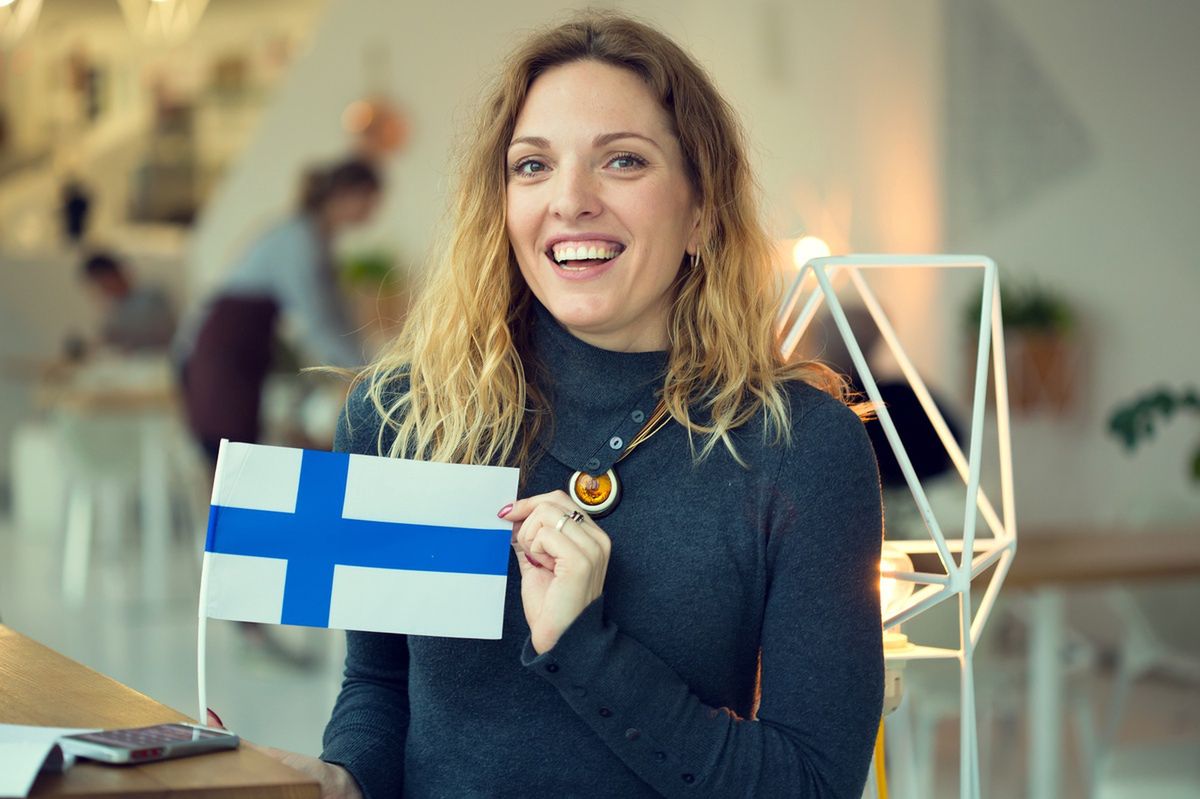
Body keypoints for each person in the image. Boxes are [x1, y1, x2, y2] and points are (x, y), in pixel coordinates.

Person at [241, 13, 883, 798]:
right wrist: (344, 777)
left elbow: (814, 784)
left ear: (703, 209)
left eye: (622, 160)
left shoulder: (800, 446)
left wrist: (587, 647)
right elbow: (381, 685)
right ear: (502, 204)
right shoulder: (403, 414)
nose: (570, 200)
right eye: (533, 166)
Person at [176, 157, 382, 463]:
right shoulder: (298, 239)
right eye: (369, 201)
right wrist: (364, 371)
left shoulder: (314, 238)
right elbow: (318, 321)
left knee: (239, 457)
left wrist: (367, 365)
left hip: (242, 355)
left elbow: (335, 316)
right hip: (221, 356)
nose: (372, 212)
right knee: (229, 463)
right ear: (346, 194)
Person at [80, 251, 177, 353]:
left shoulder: (152, 297)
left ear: (114, 275)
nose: (101, 289)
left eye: (101, 283)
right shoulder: (114, 307)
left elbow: (162, 336)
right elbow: (106, 338)